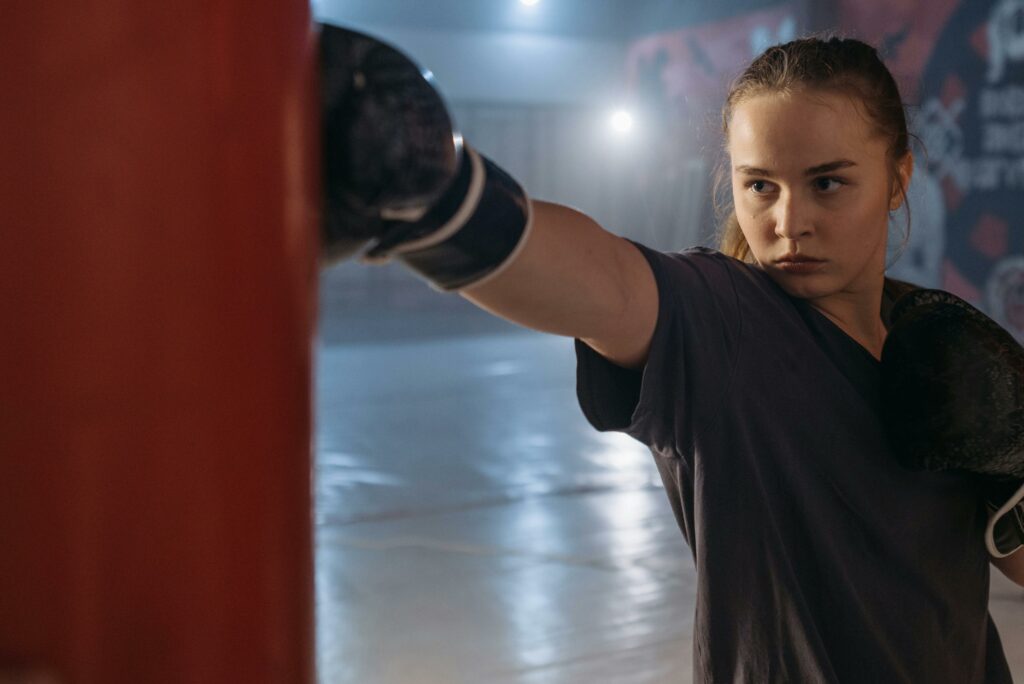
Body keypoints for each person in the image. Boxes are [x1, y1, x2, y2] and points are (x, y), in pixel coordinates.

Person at [321, 29, 1024, 682]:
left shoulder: (941, 347)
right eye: (760, 186)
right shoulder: (727, 325)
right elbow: (604, 282)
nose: (788, 222)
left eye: (828, 183)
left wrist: (1011, 462)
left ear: (898, 179)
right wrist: (438, 199)